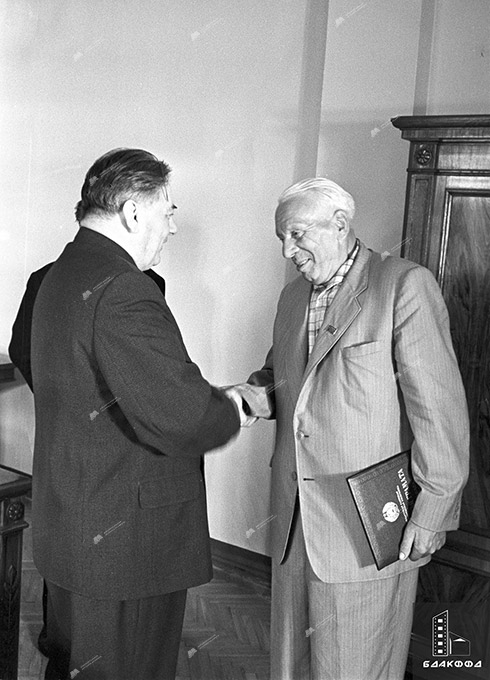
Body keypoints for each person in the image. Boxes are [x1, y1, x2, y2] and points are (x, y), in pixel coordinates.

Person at [226, 178, 470, 680]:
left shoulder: (403, 286)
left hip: (367, 526)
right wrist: (244, 399)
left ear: (339, 225)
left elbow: (439, 415)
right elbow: (283, 381)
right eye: (282, 239)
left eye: (296, 235)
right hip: (294, 523)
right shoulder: (292, 299)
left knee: (357, 668)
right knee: (291, 666)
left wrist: (431, 514)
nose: (288, 250)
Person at [28, 148, 244, 680]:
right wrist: (235, 407)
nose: (172, 227)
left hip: (76, 522)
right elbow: (186, 415)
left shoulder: (60, 273)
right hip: (126, 543)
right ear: (132, 212)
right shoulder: (124, 289)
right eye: (168, 211)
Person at [8, 261, 167, 661]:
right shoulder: (46, 278)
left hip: (126, 444)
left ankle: (97, 645)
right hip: (73, 435)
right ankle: (60, 641)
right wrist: (65, 397)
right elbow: (21, 350)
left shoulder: (152, 282)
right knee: (65, 532)